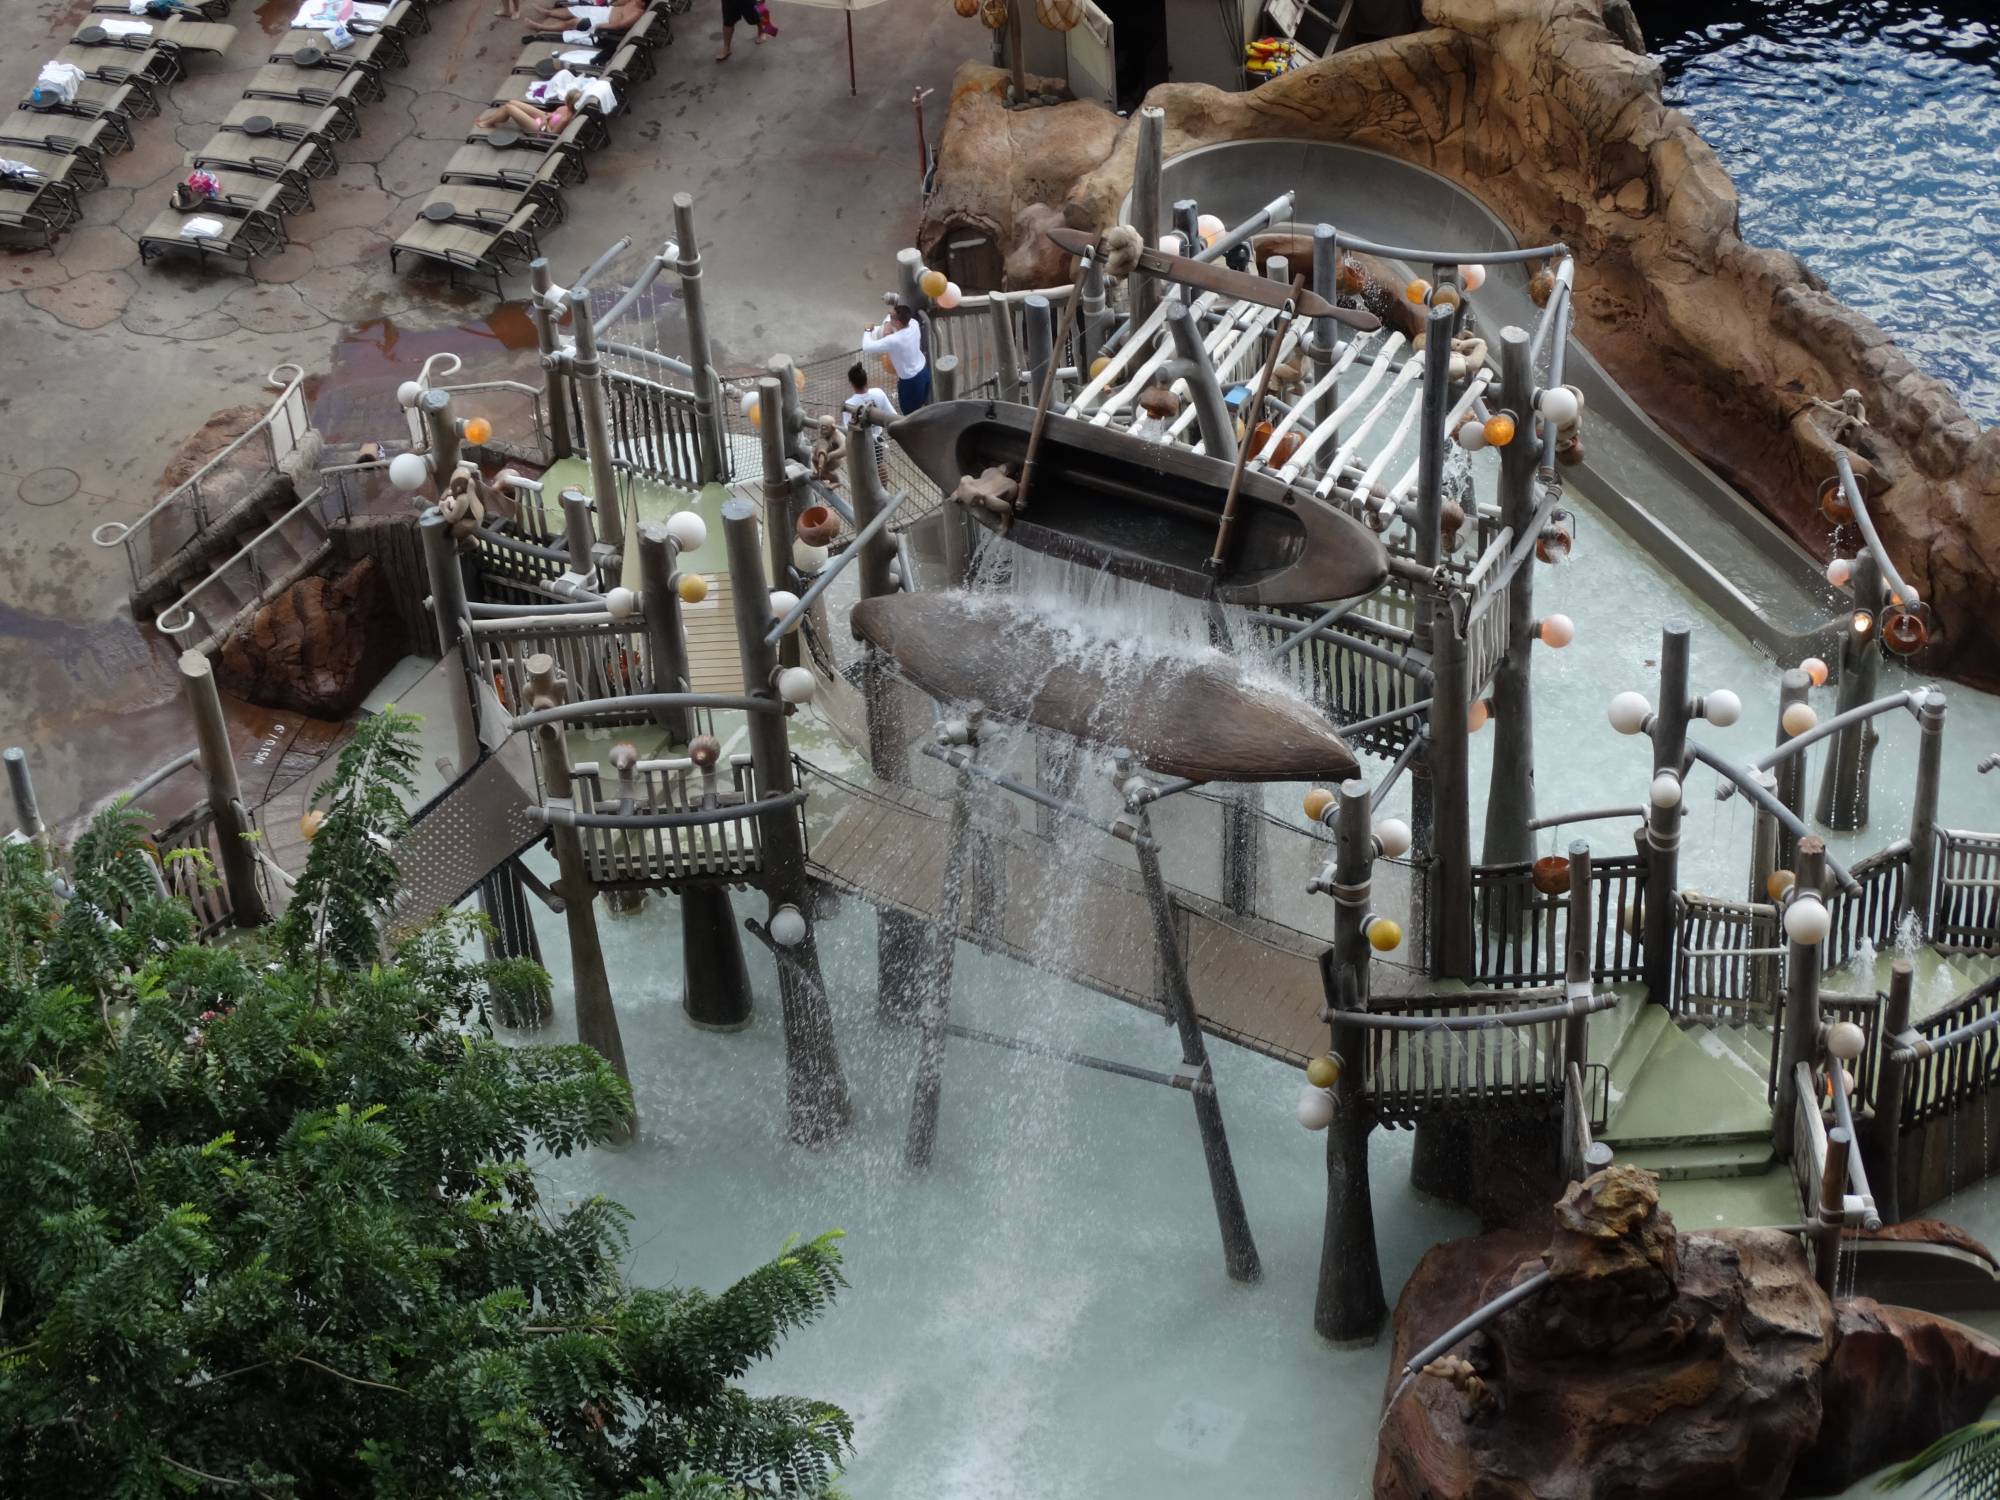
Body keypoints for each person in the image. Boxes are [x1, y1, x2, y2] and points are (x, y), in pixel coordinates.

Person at [862, 304, 929, 414]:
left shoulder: (895, 340)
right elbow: (893, 320)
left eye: (891, 316)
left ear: (898, 323)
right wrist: (887, 323)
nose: (889, 315)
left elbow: (867, 347)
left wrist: (868, 330)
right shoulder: (913, 324)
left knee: (910, 414)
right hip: (924, 372)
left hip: (911, 382)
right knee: (922, 405)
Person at [840, 362, 894, 483]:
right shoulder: (878, 393)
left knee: (862, 468)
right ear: (866, 380)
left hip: (860, 442)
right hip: (878, 439)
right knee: (879, 465)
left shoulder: (849, 404)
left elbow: (847, 430)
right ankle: (884, 489)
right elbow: (892, 415)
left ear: (851, 383)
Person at [474, 90, 579, 136]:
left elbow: (552, 135)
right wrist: (548, 116)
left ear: (569, 101)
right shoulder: (566, 108)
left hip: (541, 130)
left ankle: (487, 123)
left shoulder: (566, 119)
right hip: (545, 117)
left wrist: (545, 122)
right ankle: (495, 119)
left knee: (509, 108)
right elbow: (554, 114)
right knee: (511, 102)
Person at [522, 0, 645, 31]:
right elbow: (617, 3)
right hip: (606, 10)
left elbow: (619, 25)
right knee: (574, 10)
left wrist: (600, 26)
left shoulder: (636, 13)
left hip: (605, 21)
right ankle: (548, 12)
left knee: (574, 22)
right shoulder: (633, 2)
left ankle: (541, 27)